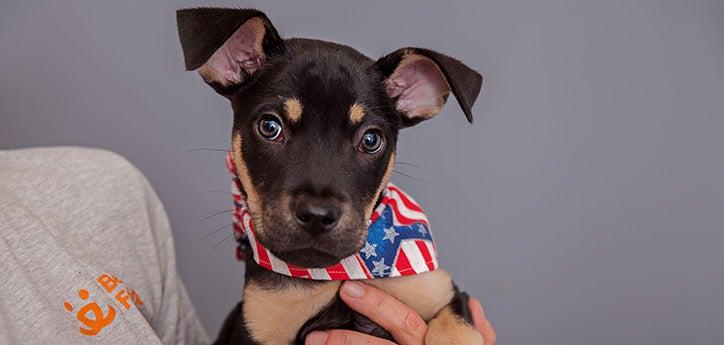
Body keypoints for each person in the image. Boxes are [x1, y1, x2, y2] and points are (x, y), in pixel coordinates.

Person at [0, 147, 495, 345]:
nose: (319, 205)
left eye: (368, 140)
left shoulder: (103, 191)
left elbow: (452, 313)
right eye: (272, 127)